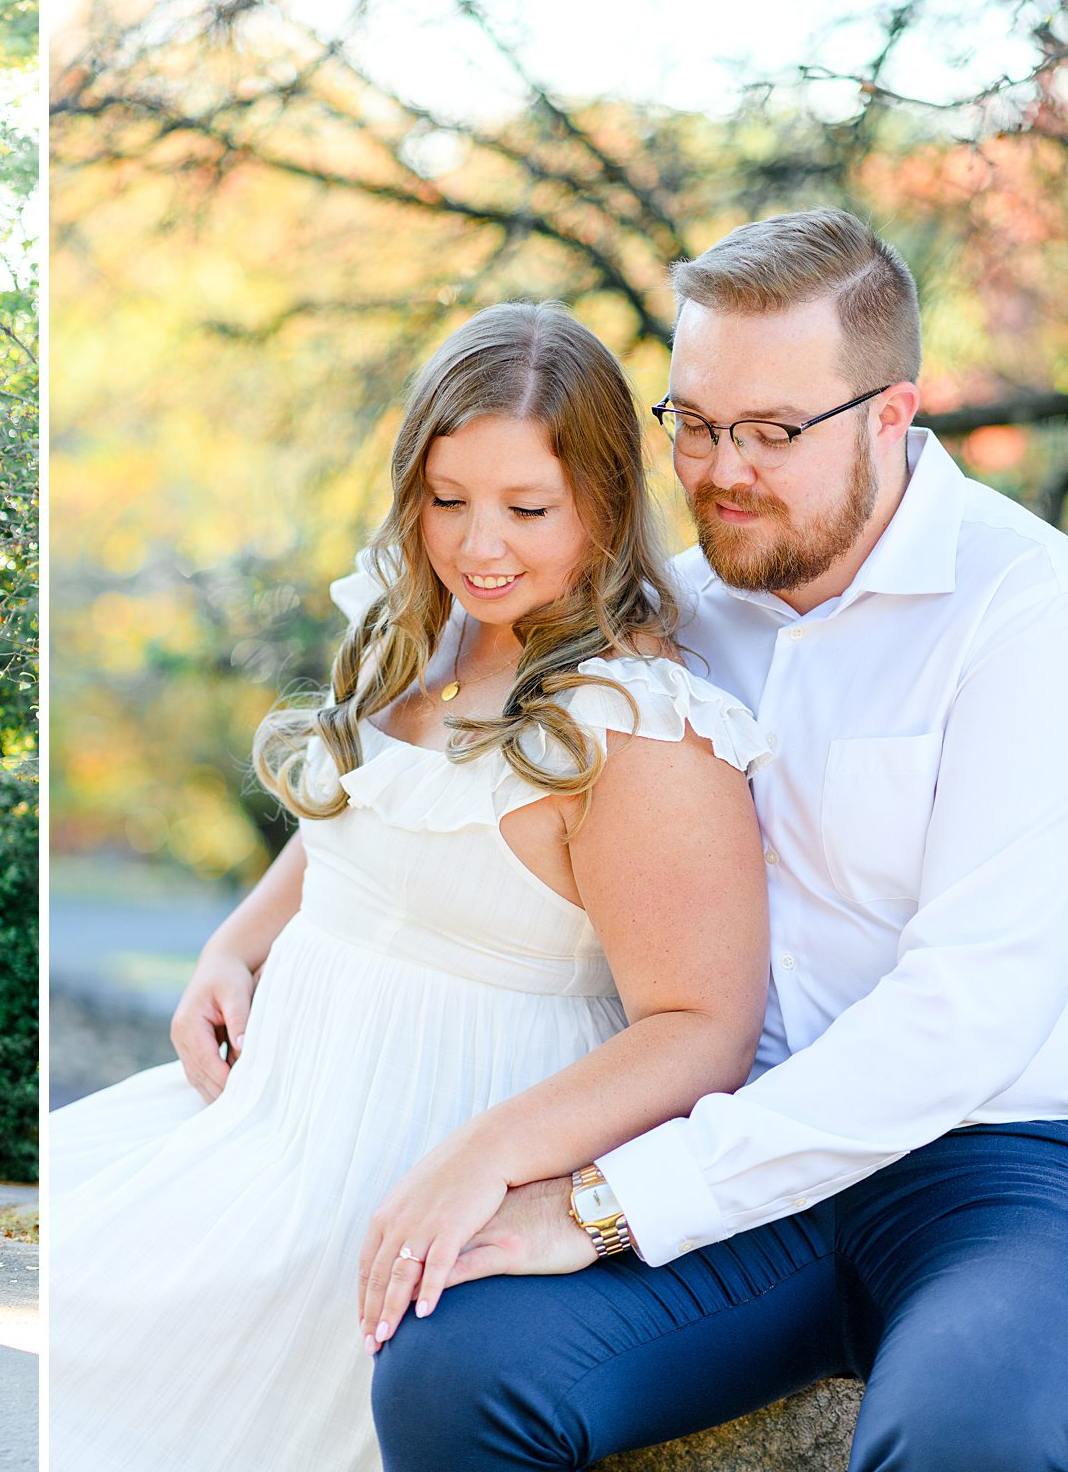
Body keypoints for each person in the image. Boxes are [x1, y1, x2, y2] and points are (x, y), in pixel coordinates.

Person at [357, 210, 1068, 1470]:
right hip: (738, 1156)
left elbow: (965, 1016)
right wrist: (247, 938)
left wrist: (601, 1204)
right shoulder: (666, 615)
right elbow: (433, 757)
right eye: (689, 422)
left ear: (889, 413)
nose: (718, 468)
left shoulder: (1022, 608)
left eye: (770, 432)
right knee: (450, 1367)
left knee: (972, 1441)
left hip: (988, 1164)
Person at [49, 301, 777, 1470]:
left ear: (600, 500)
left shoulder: (636, 728)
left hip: (405, 1158)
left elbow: (702, 1028)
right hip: (270, 1108)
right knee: (59, 1276)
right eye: (447, 500)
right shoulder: (423, 628)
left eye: (526, 508)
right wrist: (233, 945)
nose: (477, 544)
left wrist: (479, 1158)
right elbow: (372, 820)